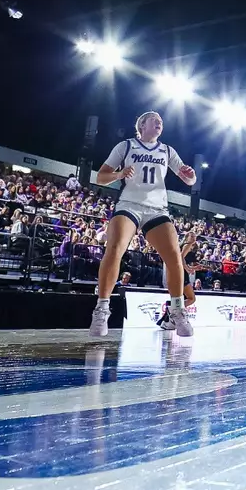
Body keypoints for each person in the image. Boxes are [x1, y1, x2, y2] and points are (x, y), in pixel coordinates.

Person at [88, 111, 199, 339]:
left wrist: (190, 176)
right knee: (116, 248)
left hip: (157, 208)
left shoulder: (167, 150)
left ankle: (177, 310)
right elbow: (101, 177)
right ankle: (101, 309)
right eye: (154, 121)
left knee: (174, 257)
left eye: (161, 122)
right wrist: (119, 174)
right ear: (142, 125)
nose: (159, 124)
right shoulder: (126, 146)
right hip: (129, 204)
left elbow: (188, 179)